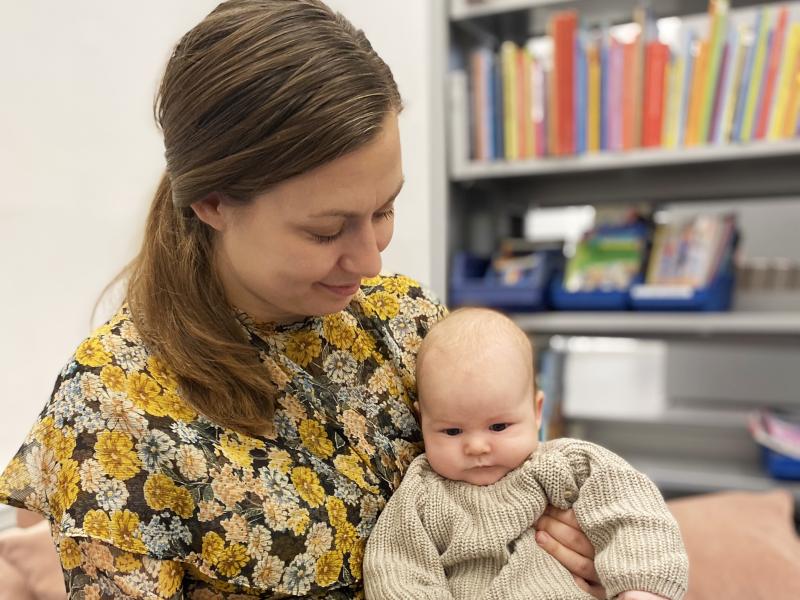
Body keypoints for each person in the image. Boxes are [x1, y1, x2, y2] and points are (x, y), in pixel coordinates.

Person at [0, 1, 603, 598]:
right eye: (325, 231)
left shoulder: (410, 323)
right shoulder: (114, 410)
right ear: (213, 204)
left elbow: (515, 488)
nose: (371, 262)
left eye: (385, 209)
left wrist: (571, 543)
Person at [363, 307, 689, 600]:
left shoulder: (564, 464)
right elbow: (396, 570)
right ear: (422, 422)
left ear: (537, 412)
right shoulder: (422, 495)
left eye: (499, 426)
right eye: (452, 431)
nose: (477, 446)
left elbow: (632, 512)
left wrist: (639, 588)